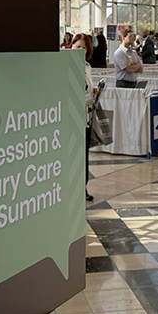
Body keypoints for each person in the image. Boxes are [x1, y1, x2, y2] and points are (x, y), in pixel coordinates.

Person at [71, 34, 95, 201]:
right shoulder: (66, 66)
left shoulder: (87, 67)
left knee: (84, 154)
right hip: (72, 116)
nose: (80, 50)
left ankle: (83, 186)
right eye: (78, 47)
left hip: (85, 116)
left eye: (84, 48)